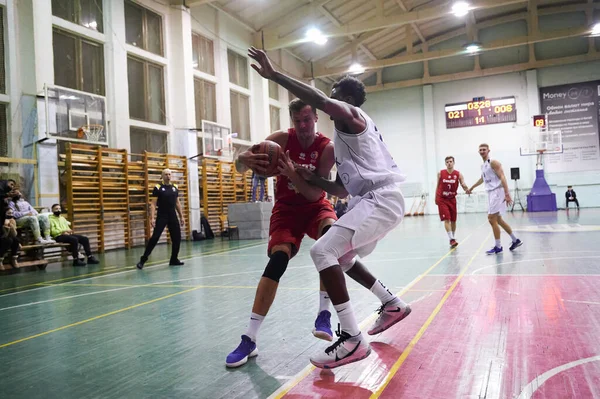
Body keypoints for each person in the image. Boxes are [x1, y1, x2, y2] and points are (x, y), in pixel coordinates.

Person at [247, 47, 412, 369]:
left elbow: (321, 101)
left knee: (322, 252)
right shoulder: (347, 136)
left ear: (345, 99)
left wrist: (274, 75)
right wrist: (311, 178)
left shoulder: (352, 117)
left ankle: (352, 338)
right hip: (369, 199)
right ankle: (391, 304)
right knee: (345, 257)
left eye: (332, 97)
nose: (327, 103)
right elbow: (340, 188)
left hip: (380, 199)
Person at [468, 144, 523, 254]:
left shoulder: (493, 162)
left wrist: (507, 194)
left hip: (497, 191)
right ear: (478, 152)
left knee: (491, 218)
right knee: (498, 219)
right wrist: (472, 187)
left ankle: (498, 247)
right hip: (491, 193)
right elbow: (482, 179)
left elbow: (502, 176)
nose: (482, 151)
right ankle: (515, 240)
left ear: (488, 150)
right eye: (480, 150)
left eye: (484, 149)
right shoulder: (483, 165)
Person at [136, 169, 185, 269]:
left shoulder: (175, 187)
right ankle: (143, 259)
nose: (168, 176)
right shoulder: (158, 187)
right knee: (155, 237)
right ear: (162, 176)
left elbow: (177, 203)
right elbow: (153, 204)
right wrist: (152, 218)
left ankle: (174, 259)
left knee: (177, 238)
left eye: (169, 174)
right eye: (166, 174)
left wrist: (181, 216)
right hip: (162, 215)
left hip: (172, 215)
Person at [435, 156, 469, 248]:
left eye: (450, 161)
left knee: (453, 220)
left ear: (454, 162)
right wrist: (436, 198)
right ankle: (451, 239)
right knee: (447, 219)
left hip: (452, 199)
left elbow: (463, 184)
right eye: (447, 162)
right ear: (445, 164)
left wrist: (467, 189)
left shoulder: (458, 174)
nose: (449, 163)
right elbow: (437, 186)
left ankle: (453, 236)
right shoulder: (441, 173)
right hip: (442, 199)